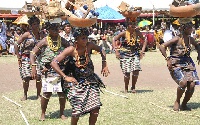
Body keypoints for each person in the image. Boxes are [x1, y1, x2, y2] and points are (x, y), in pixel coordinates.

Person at [51, 27, 109, 125]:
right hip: (74, 83)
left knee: (95, 109)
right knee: (76, 112)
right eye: (83, 38)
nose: (85, 40)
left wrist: (104, 63)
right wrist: (65, 77)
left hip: (90, 80)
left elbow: (101, 49)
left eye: (86, 37)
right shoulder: (71, 49)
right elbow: (53, 63)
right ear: (76, 39)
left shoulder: (89, 46)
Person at [30, 22, 71, 121]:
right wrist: (34, 66)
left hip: (61, 69)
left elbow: (71, 49)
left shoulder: (63, 41)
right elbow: (33, 53)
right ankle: (43, 114)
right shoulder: (44, 41)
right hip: (48, 69)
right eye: (53, 29)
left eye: (57, 29)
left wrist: (67, 61)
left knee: (62, 93)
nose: (56, 31)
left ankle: (62, 113)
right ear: (48, 31)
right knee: (47, 92)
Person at [159, 19, 200, 111]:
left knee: (192, 85)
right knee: (183, 82)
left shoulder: (191, 39)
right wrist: (167, 59)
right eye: (189, 27)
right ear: (183, 28)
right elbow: (162, 46)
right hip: (176, 63)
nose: (191, 29)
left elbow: (197, 45)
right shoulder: (177, 38)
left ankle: (184, 104)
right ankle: (177, 101)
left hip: (188, 63)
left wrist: (199, 54)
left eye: (191, 27)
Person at [113, 18, 147, 93]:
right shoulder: (124, 33)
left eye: (134, 24)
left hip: (135, 53)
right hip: (125, 54)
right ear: (128, 25)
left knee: (136, 70)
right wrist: (116, 51)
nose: (133, 25)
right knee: (127, 72)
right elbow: (114, 39)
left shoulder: (137, 32)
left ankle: (133, 87)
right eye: (131, 24)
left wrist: (142, 50)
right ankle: (126, 88)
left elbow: (144, 39)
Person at [14, 15, 43, 101]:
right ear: (30, 25)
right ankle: (25, 95)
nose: (36, 25)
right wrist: (18, 57)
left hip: (37, 58)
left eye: (38, 23)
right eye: (34, 24)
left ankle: (38, 94)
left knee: (38, 76)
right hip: (26, 57)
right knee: (26, 77)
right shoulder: (27, 34)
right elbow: (16, 44)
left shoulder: (41, 34)